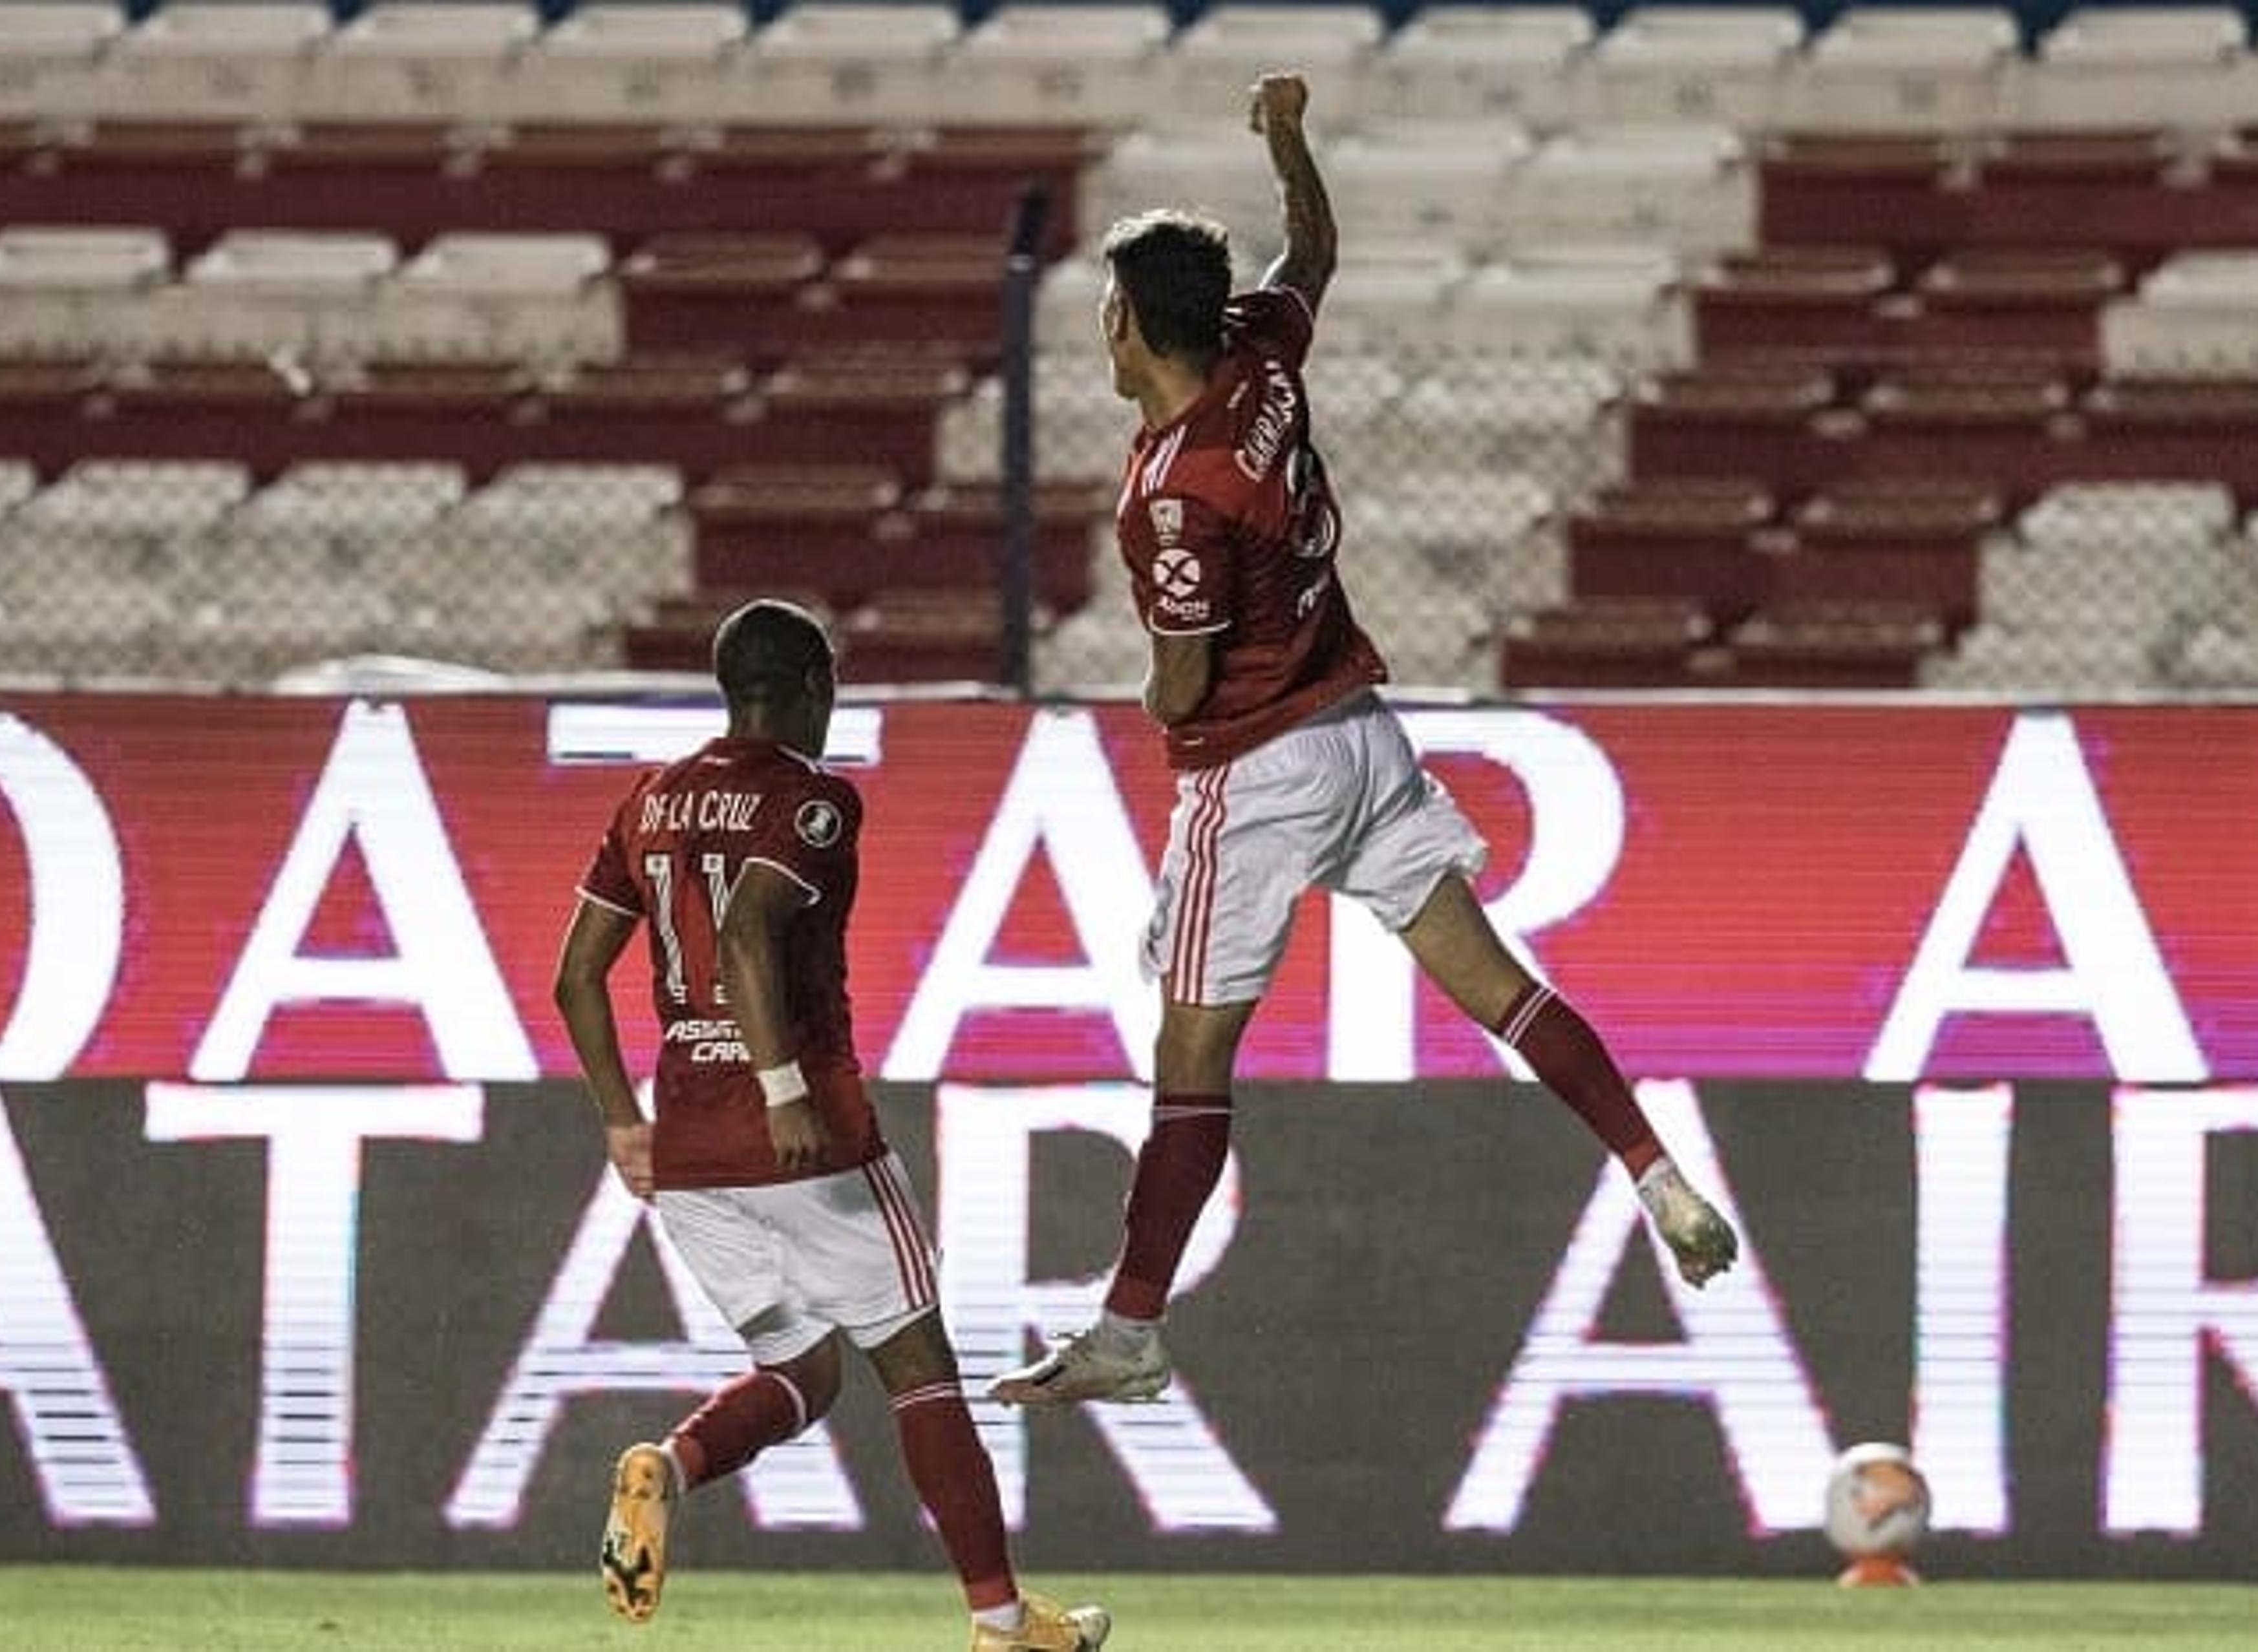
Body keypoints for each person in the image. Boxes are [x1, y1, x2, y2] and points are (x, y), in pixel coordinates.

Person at [990, 75, 1739, 1410]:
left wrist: (1155, 701)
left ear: (1127, 327)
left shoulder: (1172, 495)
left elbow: (1182, 680)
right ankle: (1651, 1169)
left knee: (1189, 1066)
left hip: (1258, 777)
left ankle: (1130, 1329)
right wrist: (1285, 143)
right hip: (1361, 737)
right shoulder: (1260, 360)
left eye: (1103, 318)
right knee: (1499, 984)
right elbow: (1314, 253)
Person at [553, 598, 1109, 1651]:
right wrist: (782, 1088)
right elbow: (753, 933)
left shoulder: (652, 799)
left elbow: (576, 974)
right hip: (801, 1135)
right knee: (921, 1367)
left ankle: (670, 1467)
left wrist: (622, 1123)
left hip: (688, 1150)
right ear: (812, 687)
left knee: (804, 1374)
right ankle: (1001, 1624)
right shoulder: (812, 802)